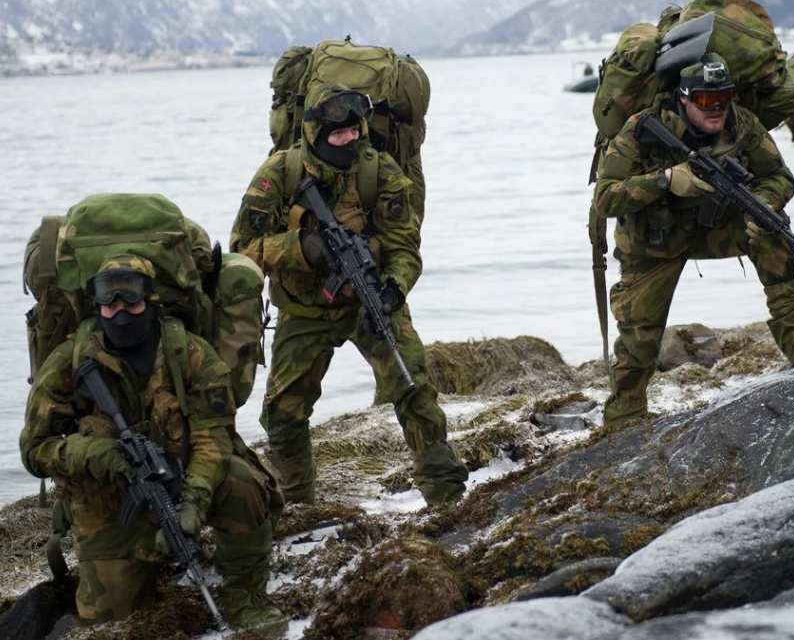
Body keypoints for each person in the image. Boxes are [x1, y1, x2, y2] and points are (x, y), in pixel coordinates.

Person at [19, 256, 287, 635]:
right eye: (109, 300)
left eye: (131, 298)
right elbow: (34, 450)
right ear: (96, 304)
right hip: (108, 500)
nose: (120, 309)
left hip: (180, 476)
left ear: (150, 299)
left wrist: (192, 503)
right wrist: (98, 454)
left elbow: (214, 437)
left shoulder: (188, 352)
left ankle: (245, 596)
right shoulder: (71, 360)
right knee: (115, 621)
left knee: (243, 482)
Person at [230, 82, 467, 506]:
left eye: (354, 132)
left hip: (369, 298)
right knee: (282, 415)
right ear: (316, 135)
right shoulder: (280, 173)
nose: (349, 141)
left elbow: (404, 248)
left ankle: (445, 492)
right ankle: (298, 503)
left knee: (413, 387)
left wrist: (394, 288)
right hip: (304, 309)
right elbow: (240, 249)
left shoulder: (381, 171)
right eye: (338, 135)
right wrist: (299, 249)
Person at [593, 54, 794, 428]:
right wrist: (665, 180)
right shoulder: (644, 128)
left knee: (771, 226)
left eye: (724, 96)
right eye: (705, 100)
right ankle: (625, 413)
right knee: (640, 338)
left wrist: (763, 203)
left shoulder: (741, 123)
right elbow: (605, 198)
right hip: (654, 241)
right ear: (683, 99)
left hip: (715, 225)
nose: (717, 108)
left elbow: (780, 176)